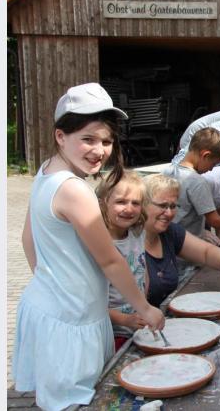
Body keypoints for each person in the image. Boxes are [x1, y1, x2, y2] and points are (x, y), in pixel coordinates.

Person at [13, 83, 165, 411]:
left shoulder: (44, 174)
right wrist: (144, 308)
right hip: (73, 321)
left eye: (106, 141)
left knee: (59, 399)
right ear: (60, 136)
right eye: (88, 139)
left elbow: (28, 238)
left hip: (48, 309)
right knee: (77, 400)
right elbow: (110, 260)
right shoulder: (75, 190)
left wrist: (51, 282)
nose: (99, 150)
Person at [133, 174, 220, 331]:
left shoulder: (169, 232)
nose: (169, 213)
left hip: (164, 326)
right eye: (162, 206)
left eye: (173, 206)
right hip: (137, 332)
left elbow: (206, 252)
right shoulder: (128, 242)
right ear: (142, 204)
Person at [162, 128, 220, 247]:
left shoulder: (167, 171)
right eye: (213, 164)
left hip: (168, 244)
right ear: (205, 155)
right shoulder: (198, 182)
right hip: (189, 249)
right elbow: (214, 219)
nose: (211, 169)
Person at [95, 170, 149, 351]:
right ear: (104, 203)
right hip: (112, 332)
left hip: (137, 325)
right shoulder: (99, 245)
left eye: (136, 203)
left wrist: (145, 306)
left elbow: (143, 271)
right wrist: (126, 320)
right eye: (121, 202)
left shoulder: (137, 234)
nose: (129, 208)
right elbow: (92, 303)